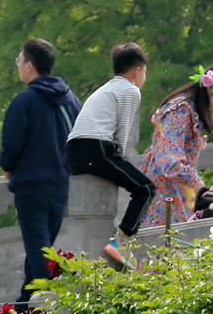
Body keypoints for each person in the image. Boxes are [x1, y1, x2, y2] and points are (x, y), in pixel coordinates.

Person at [0, 38, 82, 308]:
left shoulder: (24, 102)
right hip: (61, 186)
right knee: (42, 246)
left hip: (31, 187)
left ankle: (49, 304)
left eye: (19, 61)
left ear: (30, 65)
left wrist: (8, 167)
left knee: (38, 248)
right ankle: (25, 303)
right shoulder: (71, 100)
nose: (19, 66)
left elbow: (11, 144)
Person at [64, 43, 153, 272]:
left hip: (74, 150)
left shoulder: (107, 88)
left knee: (132, 181)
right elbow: (121, 134)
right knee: (146, 189)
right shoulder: (131, 90)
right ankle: (122, 242)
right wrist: (122, 163)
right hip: (96, 147)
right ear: (137, 70)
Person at [138, 63, 213, 229]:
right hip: (163, 188)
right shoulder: (181, 110)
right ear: (210, 89)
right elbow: (168, 160)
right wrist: (198, 185)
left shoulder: (191, 111)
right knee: (162, 245)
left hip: (176, 189)